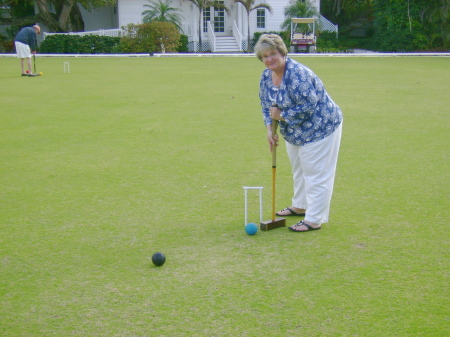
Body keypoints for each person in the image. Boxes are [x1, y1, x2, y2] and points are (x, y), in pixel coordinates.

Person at [255, 34, 343, 232]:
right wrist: (270, 130)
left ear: (282, 52)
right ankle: (300, 205)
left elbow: (308, 106)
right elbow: (266, 106)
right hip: (295, 131)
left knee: (316, 174)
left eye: (273, 54)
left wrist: (282, 116)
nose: (269, 59)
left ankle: (314, 219)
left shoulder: (297, 74)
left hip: (321, 126)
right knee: (299, 169)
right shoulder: (266, 77)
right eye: (265, 56)